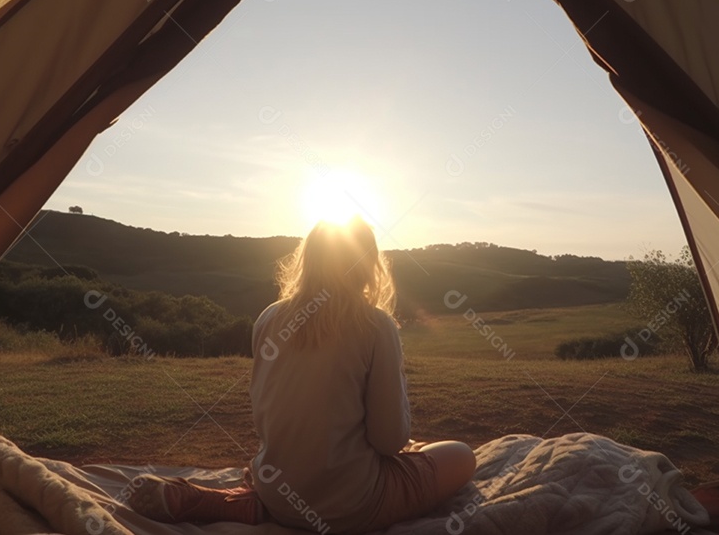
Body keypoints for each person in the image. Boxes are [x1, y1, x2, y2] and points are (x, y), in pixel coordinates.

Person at [130, 217, 476, 532]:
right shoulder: (375, 325)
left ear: (307, 259)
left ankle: (244, 503)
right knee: (461, 454)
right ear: (369, 264)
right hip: (351, 506)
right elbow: (389, 441)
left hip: (277, 490)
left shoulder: (268, 318)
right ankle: (253, 503)